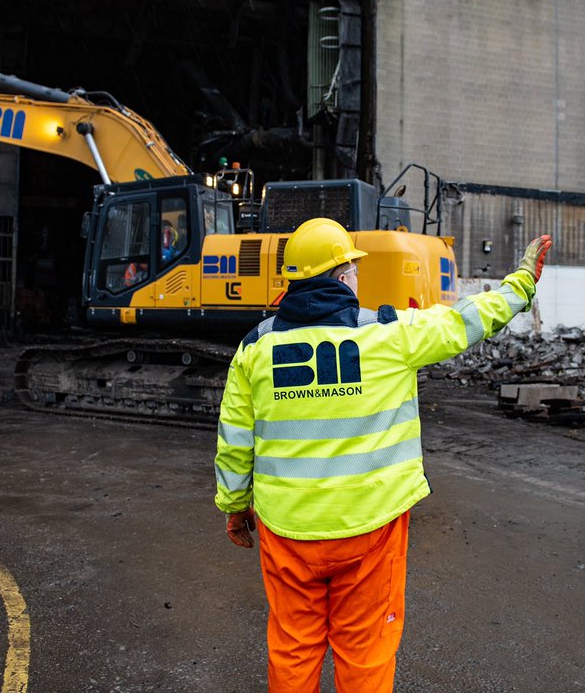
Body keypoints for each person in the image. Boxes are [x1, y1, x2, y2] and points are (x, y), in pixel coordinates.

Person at [214, 217, 553, 692]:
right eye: (352, 267)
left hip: (287, 530)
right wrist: (521, 282)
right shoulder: (390, 334)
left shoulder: (254, 349)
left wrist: (233, 507)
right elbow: (468, 320)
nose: (356, 274)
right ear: (341, 276)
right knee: (366, 651)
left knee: (293, 647)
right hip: (371, 529)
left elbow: (234, 442)